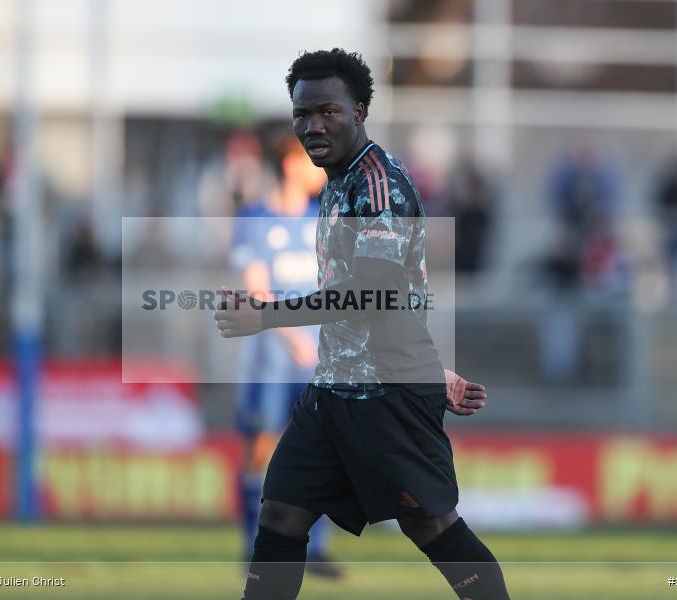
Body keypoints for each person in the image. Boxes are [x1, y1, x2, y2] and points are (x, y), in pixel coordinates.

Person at [215, 49, 510, 600]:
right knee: (280, 513)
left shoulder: (377, 186)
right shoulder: (336, 180)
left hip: (387, 393)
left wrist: (268, 315)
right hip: (334, 389)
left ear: (359, 110)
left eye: (328, 111)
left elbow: (369, 294)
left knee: (432, 526)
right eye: (302, 114)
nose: (313, 125)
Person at [231, 137, 343, 578]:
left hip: (319, 358)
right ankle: (255, 547)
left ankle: (315, 550)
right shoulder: (254, 218)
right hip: (271, 358)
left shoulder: (324, 219)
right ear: (291, 162)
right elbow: (256, 288)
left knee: (324, 451)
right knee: (261, 450)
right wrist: (292, 335)